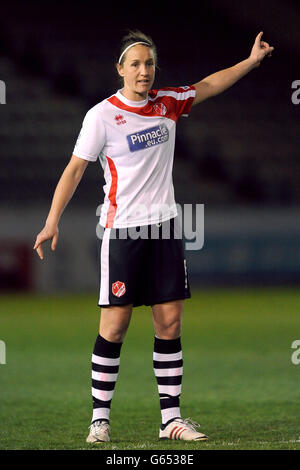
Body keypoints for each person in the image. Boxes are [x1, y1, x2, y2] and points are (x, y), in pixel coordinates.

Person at [33, 30, 274, 443]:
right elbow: (74, 170)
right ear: (120, 69)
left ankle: (171, 421)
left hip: (165, 229)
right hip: (123, 232)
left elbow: (209, 84)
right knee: (114, 326)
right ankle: (99, 420)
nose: (143, 71)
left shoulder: (168, 103)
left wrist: (250, 62)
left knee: (170, 322)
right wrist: (52, 220)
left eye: (149, 64)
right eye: (135, 64)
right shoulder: (101, 116)